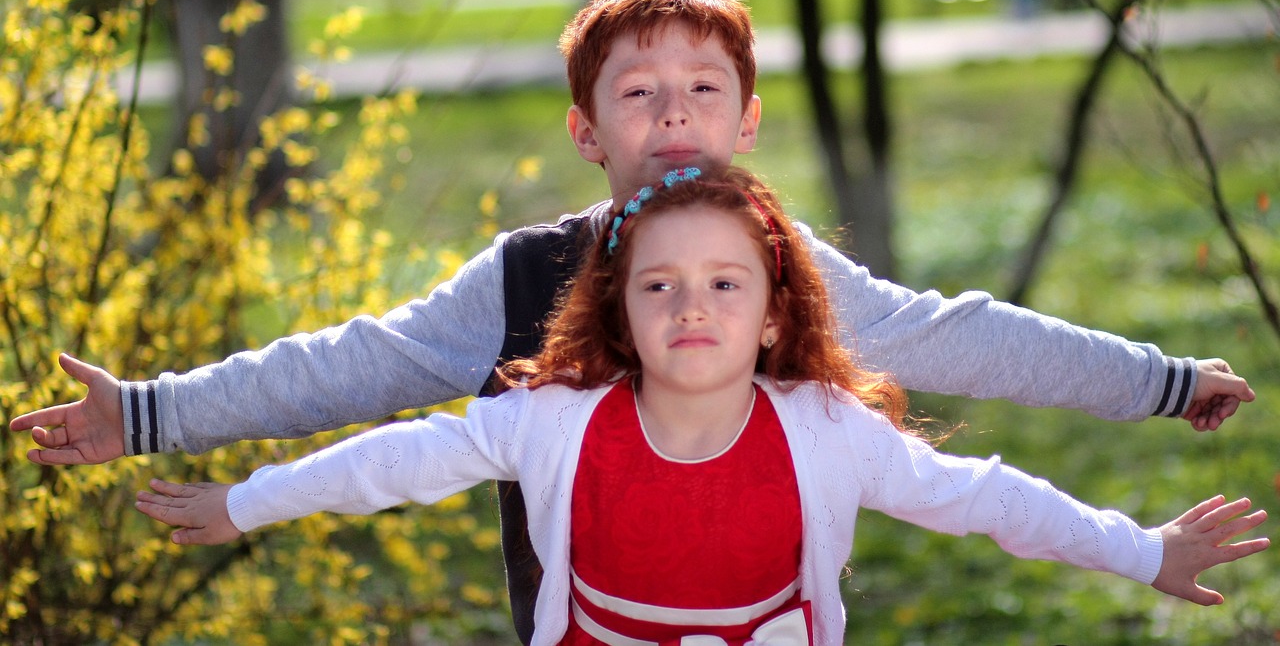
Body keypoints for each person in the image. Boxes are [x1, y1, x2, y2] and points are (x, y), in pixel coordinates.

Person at [8, 0, 1256, 643]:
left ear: (744, 122)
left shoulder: (786, 272)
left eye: (702, 89)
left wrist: (1152, 375)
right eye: (637, 92)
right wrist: (159, 413)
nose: (671, 114)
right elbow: (359, 369)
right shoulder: (518, 279)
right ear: (584, 131)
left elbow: (961, 337)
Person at [131, 168, 1269, 646]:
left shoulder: (825, 432)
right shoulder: (548, 422)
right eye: (659, 286)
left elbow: (985, 499)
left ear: (774, 314)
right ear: (618, 316)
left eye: (726, 284)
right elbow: (389, 460)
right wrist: (242, 501)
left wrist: (1143, 550)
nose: (692, 306)